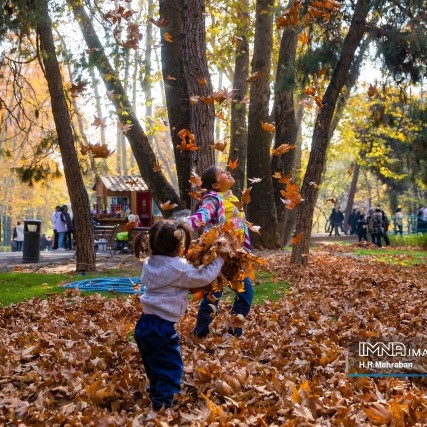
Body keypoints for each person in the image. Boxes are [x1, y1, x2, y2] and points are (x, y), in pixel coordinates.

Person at [134, 221, 225, 421]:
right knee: (171, 368)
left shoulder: (150, 262)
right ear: (179, 247)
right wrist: (220, 260)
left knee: (155, 367)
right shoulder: (178, 269)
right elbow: (204, 277)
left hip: (144, 325)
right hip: (162, 328)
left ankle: (158, 401)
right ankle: (160, 409)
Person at [187, 166, 252, 338]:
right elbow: (203, 214)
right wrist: (187, 225)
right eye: (223, 173)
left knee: (246, 294)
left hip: (235, 257)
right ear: (215, 185)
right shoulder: (213, 198)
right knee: (212, 297)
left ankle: (234, 331)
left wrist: (246, 250)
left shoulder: (232, 198)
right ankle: (200, 333)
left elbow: (240, 226)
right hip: (219, 257)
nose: (228, 173)